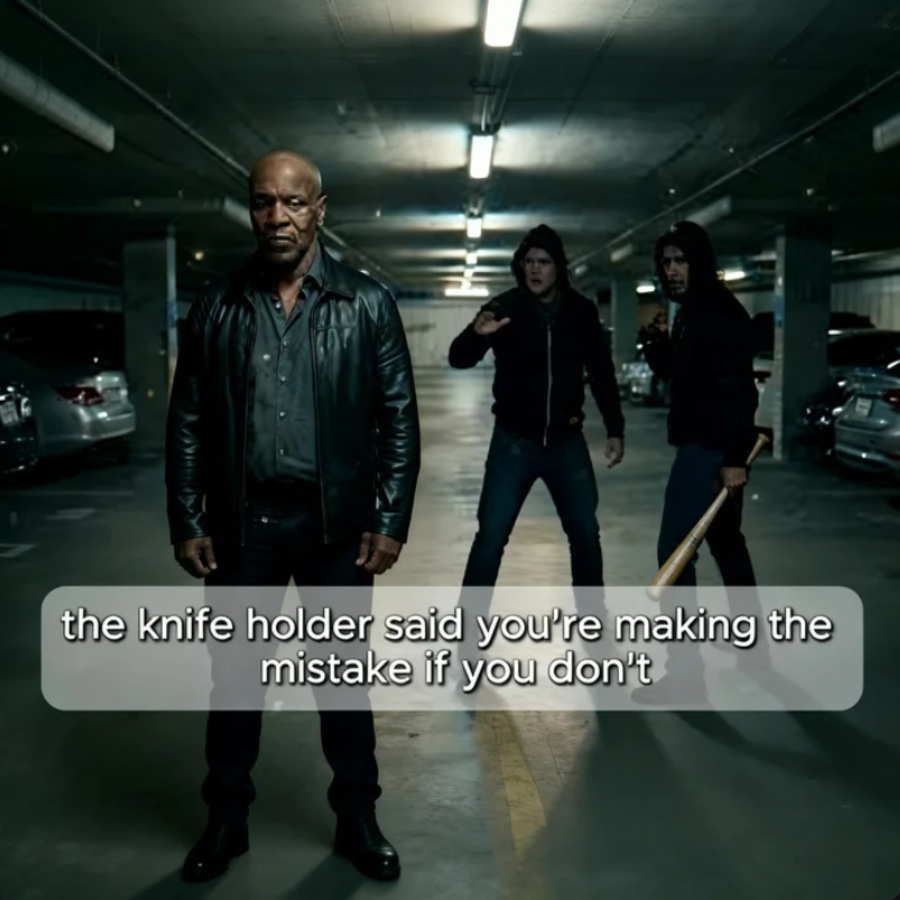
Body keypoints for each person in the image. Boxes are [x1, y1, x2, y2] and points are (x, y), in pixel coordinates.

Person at [165, 149, 420, 882]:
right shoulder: (218, 305)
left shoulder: (366, 304)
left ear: (320, 210)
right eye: (263, 202)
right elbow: (187, 420)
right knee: (235, 677)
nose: (276, 216)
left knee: (341, 676)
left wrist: (389, 517)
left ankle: (358, 816)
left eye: (293, 202)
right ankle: (226, 818)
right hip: (242, 526)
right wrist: (188, 518)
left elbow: (398, 419)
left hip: (335, 527)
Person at [448, 224, 625, 664]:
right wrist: (477, 334)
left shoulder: (581, 312)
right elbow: (458, 357)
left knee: (585, 534)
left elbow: (601, 372)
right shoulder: (504, 308)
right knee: (491, 536)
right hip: (514, 441)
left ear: (558, 267)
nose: (534, 270)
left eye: (543, 262)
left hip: (566, 442)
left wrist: (615, 428)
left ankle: (593, 627)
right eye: (528, 262)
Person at [633, 220, 762, 704]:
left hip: (709, 450)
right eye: (665, 262)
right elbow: (683, 375)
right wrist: (655, 346)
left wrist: (734, 459)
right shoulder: (691, 312)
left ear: (700, 263)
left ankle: (685, 677)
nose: (671, 270)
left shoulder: (721, 315)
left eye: (680, 261)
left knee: (675, 552)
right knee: (727, 543)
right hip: (708, 444)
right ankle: (754, 648)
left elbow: (738, 392)